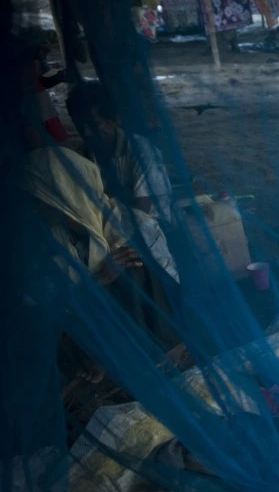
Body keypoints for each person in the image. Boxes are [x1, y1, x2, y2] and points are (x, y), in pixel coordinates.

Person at [16, 146, 182, 381]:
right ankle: (102, 358)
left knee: (134, 268)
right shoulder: (51, 235)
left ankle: (162, 354)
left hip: (149, 324)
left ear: (65, 195)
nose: (34, 207)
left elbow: (169, 284)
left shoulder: (134, 225)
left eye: (39, 198)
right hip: (93, 318)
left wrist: (102, 281)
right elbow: (36, 298)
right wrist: (98, 280)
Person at [66, 81, 173, 224]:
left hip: (150, 226)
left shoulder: (141, 151)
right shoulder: (83, 153)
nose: (86, 132)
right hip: (110, 223)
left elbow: (142, 211)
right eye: (79, 124)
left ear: (113, 120)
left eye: (94, 124)